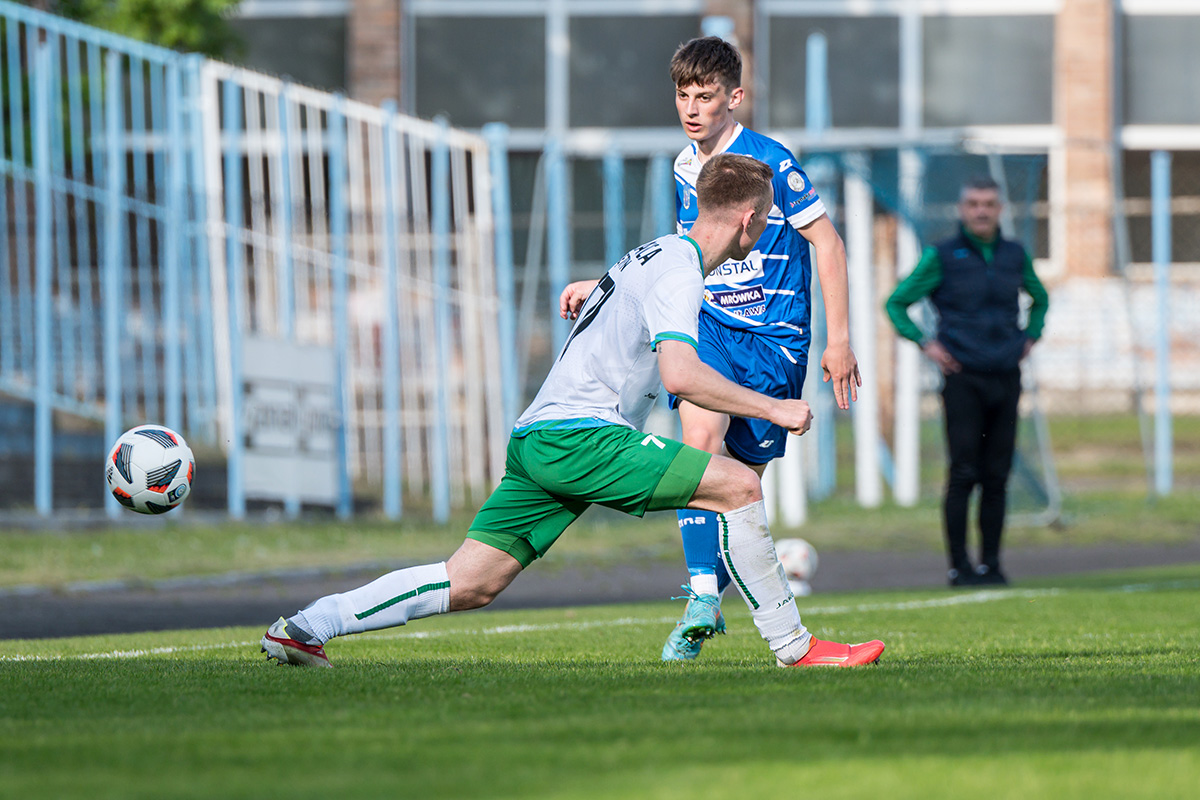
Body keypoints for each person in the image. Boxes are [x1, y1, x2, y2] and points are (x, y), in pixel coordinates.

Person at [261, 154, 884, 669]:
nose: (766, 228)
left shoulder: (653, 253)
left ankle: (307, 626)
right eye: (767, 219)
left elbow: (622, 313)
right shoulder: (682, 273)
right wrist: (774, 407)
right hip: (581, 436)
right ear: (749, 219)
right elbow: (680, 375)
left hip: (538, 435)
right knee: (739, 486)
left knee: (470, 581)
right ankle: (796, 648)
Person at [664, 36, 860, 661]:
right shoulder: (683, 167)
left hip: (776, 342)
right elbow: (689, 252)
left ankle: (714, 600)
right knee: (699, 445)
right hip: (712, 325)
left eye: (705, 96)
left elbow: (827, 243)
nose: (692, 108)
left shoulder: (773, 162)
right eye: (683, 96)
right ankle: (700, 596)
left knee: (740, 488)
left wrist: (839, 340)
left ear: (735, 97)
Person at [885, 176, 1049, 587]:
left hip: (1006, 377)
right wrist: (927, 344)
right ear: (962, 209)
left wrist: (1031, 335)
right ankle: (960, 566)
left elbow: (1040, 298)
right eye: (974, 203)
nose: (981, 211)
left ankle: (992, 565)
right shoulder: (942, 255)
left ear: (999, 210)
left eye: (989, 204)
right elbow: (897, 303)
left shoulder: (1014, 254)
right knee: (963, 473)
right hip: (963, 379)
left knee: (997, 475)